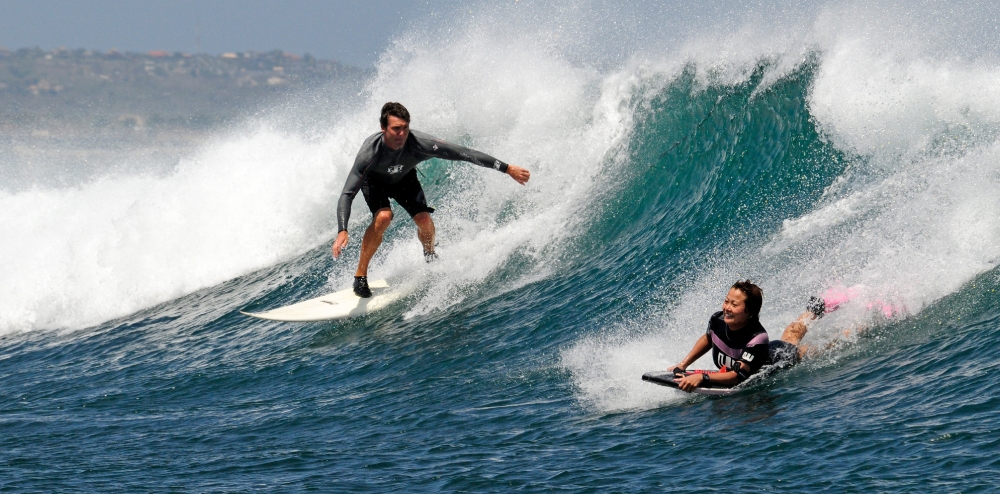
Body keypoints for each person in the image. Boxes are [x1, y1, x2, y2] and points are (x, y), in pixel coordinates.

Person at [331, 102, 531, 297]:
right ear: (383, 128)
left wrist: (506, 168)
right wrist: (342, 230)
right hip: (375, 183)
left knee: (424, 221)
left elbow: (465, 154)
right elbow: (347, 194)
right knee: (383, 217)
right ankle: (360, 276)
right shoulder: (370, 154)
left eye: (405, 128)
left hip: (404, 179)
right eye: (396, 129)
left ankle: (430, 256)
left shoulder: (420, 144)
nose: (402, 134)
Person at [669, 280, 771, 392]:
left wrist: (703, 377)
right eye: (726, 301)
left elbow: (736, 377)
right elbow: (708, 338)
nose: (727, 308)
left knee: (790, 337)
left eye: (734, 304)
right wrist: (683, 365)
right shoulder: (717, 320)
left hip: (778, 359)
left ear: (750, 311)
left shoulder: (757, 338)